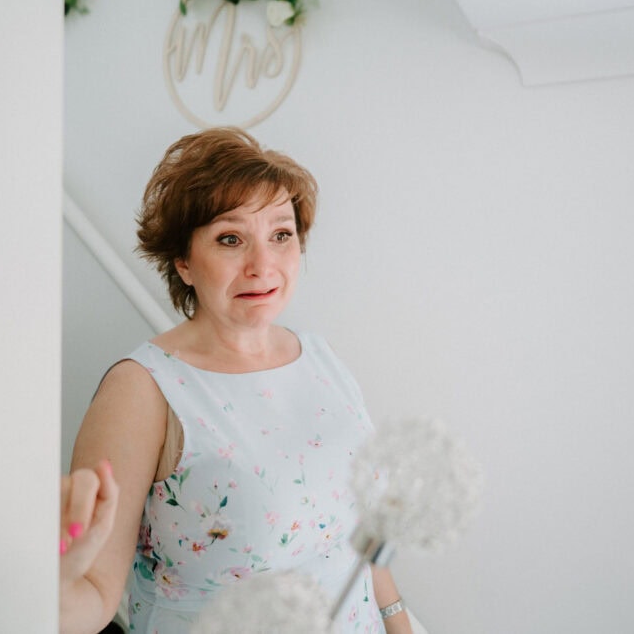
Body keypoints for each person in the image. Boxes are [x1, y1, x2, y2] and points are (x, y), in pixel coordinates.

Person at [59, 128, 412, 634]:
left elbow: (357, 529)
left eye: (281, 235)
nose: (262, 265)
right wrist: (45, 589)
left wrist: (398, 622)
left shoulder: (320, 359)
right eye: (230, 239)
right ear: (183, 261)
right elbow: (90, 597)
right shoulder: (143, 390)